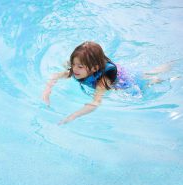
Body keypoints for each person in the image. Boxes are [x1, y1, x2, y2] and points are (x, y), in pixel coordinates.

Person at [42, 41, 171, 125]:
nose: (74, 69)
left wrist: (73, 116)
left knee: (149, 79)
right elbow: (55, 76)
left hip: (124, 81)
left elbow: (95, 103)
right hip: (109, 69)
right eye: (73, 64)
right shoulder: (77, 70)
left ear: (94, 69)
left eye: (79, 66)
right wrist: (47, 92)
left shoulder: (102, 82)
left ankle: (168, 69)